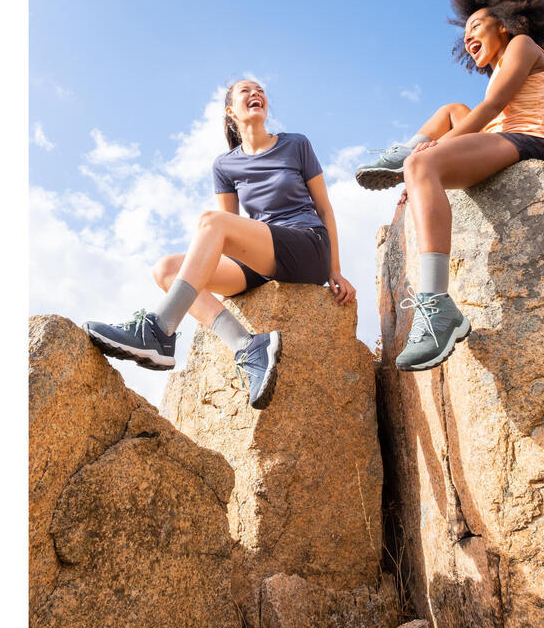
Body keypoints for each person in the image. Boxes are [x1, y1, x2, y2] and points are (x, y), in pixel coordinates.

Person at [84, 79, 356, 409]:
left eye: (260, 90)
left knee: (211, 222)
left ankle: (159, 330)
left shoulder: (296, 144)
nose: (256, 93)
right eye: (246, 90)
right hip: (264, 260)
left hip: (306, 246)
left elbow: (325, 208)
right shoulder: (224, 165)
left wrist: (335, 270)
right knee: (166, 269)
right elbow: (228, 238)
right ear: (230, 111)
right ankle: (248, 346)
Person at [355, 0, 544, 372]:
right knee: (449, 111)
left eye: (476, 25)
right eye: (463, 32)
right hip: (506, 134)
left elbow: (491, 109)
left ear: (504, 24)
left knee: (424, 163)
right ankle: (404, 158)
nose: (467, 36)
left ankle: (436, 307)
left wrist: (437, 150)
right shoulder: (501, 61)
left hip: (533, 140)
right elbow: (476, 115)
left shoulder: (522, 45)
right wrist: (434, 147)